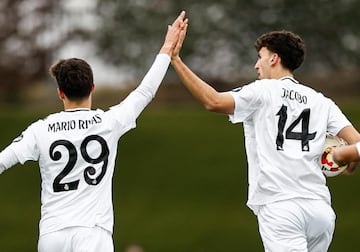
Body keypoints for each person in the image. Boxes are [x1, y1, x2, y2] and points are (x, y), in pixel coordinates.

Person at [0, 11, 187, 252]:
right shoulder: (109, 122)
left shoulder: (40, 129)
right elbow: (145, 92)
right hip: (93, 232)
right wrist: (167, 48)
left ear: (60, 92)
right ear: (93, 88)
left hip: (52, 234)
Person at [171, 23, 360, 251]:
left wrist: (176, 61)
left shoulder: (263, 90)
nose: (256, 65)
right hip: (320, 211)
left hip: (281, 208)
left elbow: (213, 101)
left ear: (274, 59)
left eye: (260, 57)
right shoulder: (322, 101)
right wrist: (346, 154)